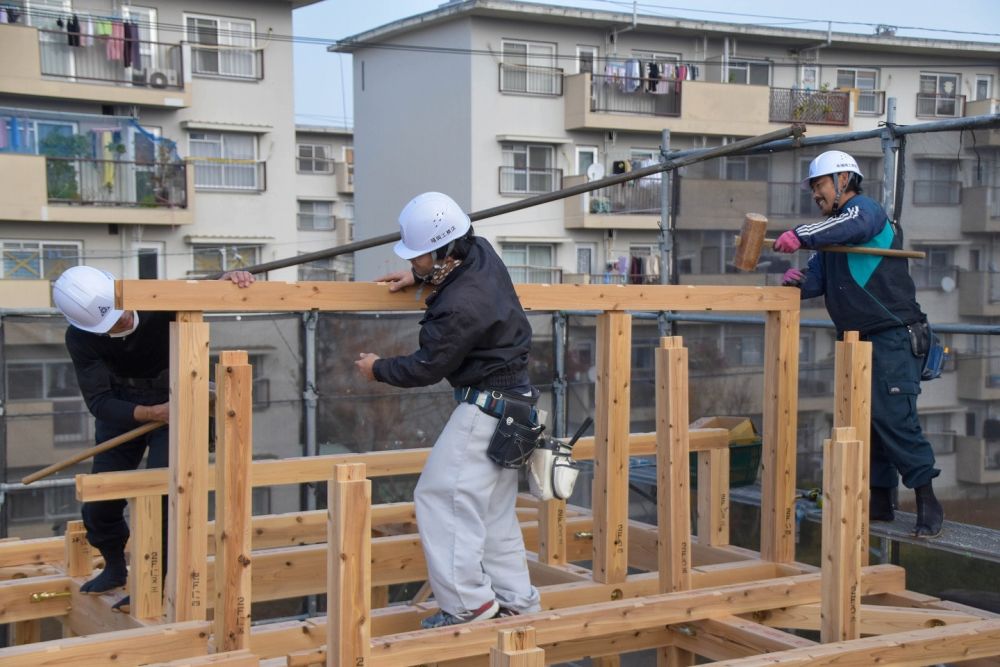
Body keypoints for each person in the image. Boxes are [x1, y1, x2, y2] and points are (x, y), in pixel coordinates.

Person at [355, 191, 542, 628]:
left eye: (420, 257)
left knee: (441, 498)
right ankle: (516, 601)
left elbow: (426, 366)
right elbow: (453, 281)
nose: (416, 262)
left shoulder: (461, 306)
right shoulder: (478, 252)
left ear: (442, 250)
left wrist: (377, 368)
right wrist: (419, 279)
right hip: (515, 404)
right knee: (492, 512)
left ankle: (468, 608)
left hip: (484, 411)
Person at [52, 265, 255, 599]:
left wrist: (230, 276)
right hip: (124, 408)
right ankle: (114, 566)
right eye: (111, 324)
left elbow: (207, 287)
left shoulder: (157, 301)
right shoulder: (81, 337)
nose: (121, 322)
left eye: (120, 314)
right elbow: (99, 401)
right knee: (101, 498)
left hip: (179, 402)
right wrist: (150, 413)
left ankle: (154, 581)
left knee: (165, 495)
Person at [773, 149, 943, 538]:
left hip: (892, 334)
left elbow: (852, 225)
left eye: (820, 185)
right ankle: (881, 499)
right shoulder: (830, 237)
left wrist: (798, 235)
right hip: (856, 339)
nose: (815, 194)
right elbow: (816, 282)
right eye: (814, 188)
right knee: (864, 420)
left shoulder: (865, 213)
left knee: (895, 417)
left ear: (844, 181)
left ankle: (927, 498)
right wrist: (796, 282)